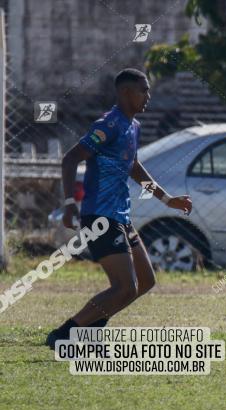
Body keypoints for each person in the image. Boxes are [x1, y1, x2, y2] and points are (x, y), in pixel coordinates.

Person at [45, 68, 192, 348]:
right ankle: (64, 334)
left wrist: (166, 198)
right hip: (100, 216)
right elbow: (71, 158)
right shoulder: (108, 125)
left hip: (120, 216)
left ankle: (87, 332)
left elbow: (134, 167)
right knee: (125, 287)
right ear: (126, 92)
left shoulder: (133, 126)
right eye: (143, 90)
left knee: (146, 281)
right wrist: (68, 204)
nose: (148, 96)